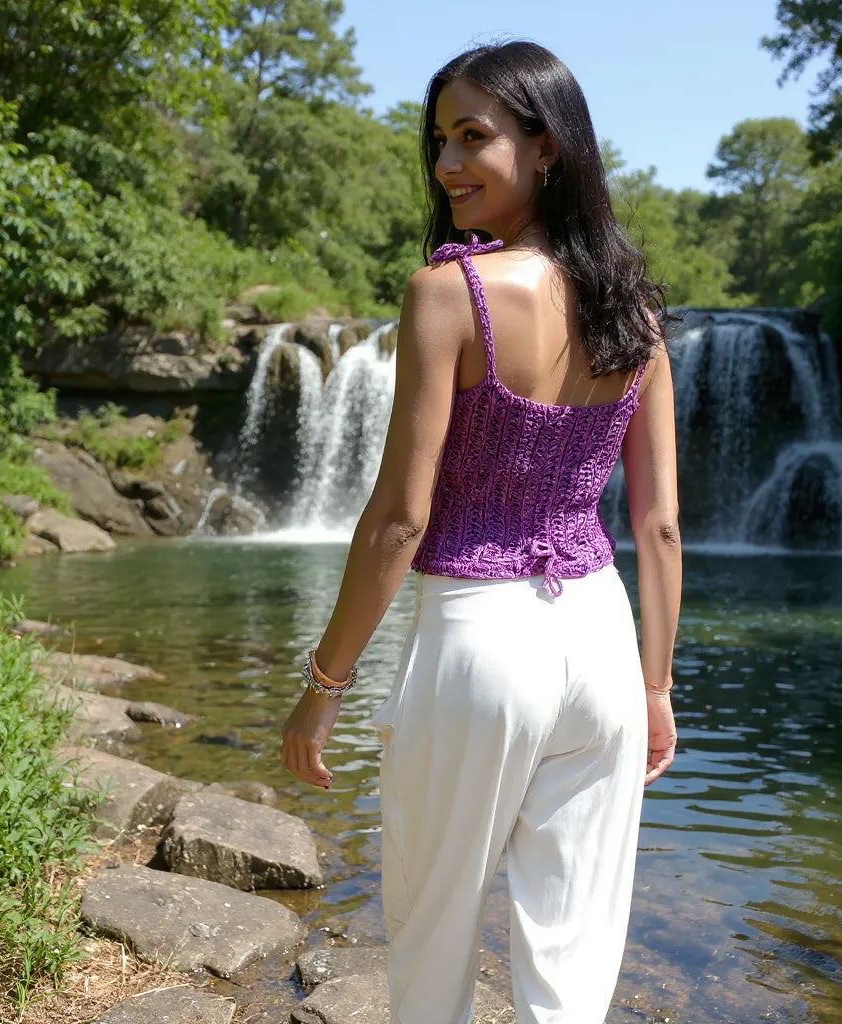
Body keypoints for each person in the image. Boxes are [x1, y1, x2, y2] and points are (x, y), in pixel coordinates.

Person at [281, 40, 681, 1024]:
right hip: (600, 644)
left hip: (476, 644)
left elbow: (397, 519)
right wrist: (656, 686)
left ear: (547, 148)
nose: (446, 164)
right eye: (438, 141)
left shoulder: (445, 295)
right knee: (575, 961)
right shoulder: (633, 309)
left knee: (431, 944)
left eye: (474, 137)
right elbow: (660, 525)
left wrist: (322, 687)